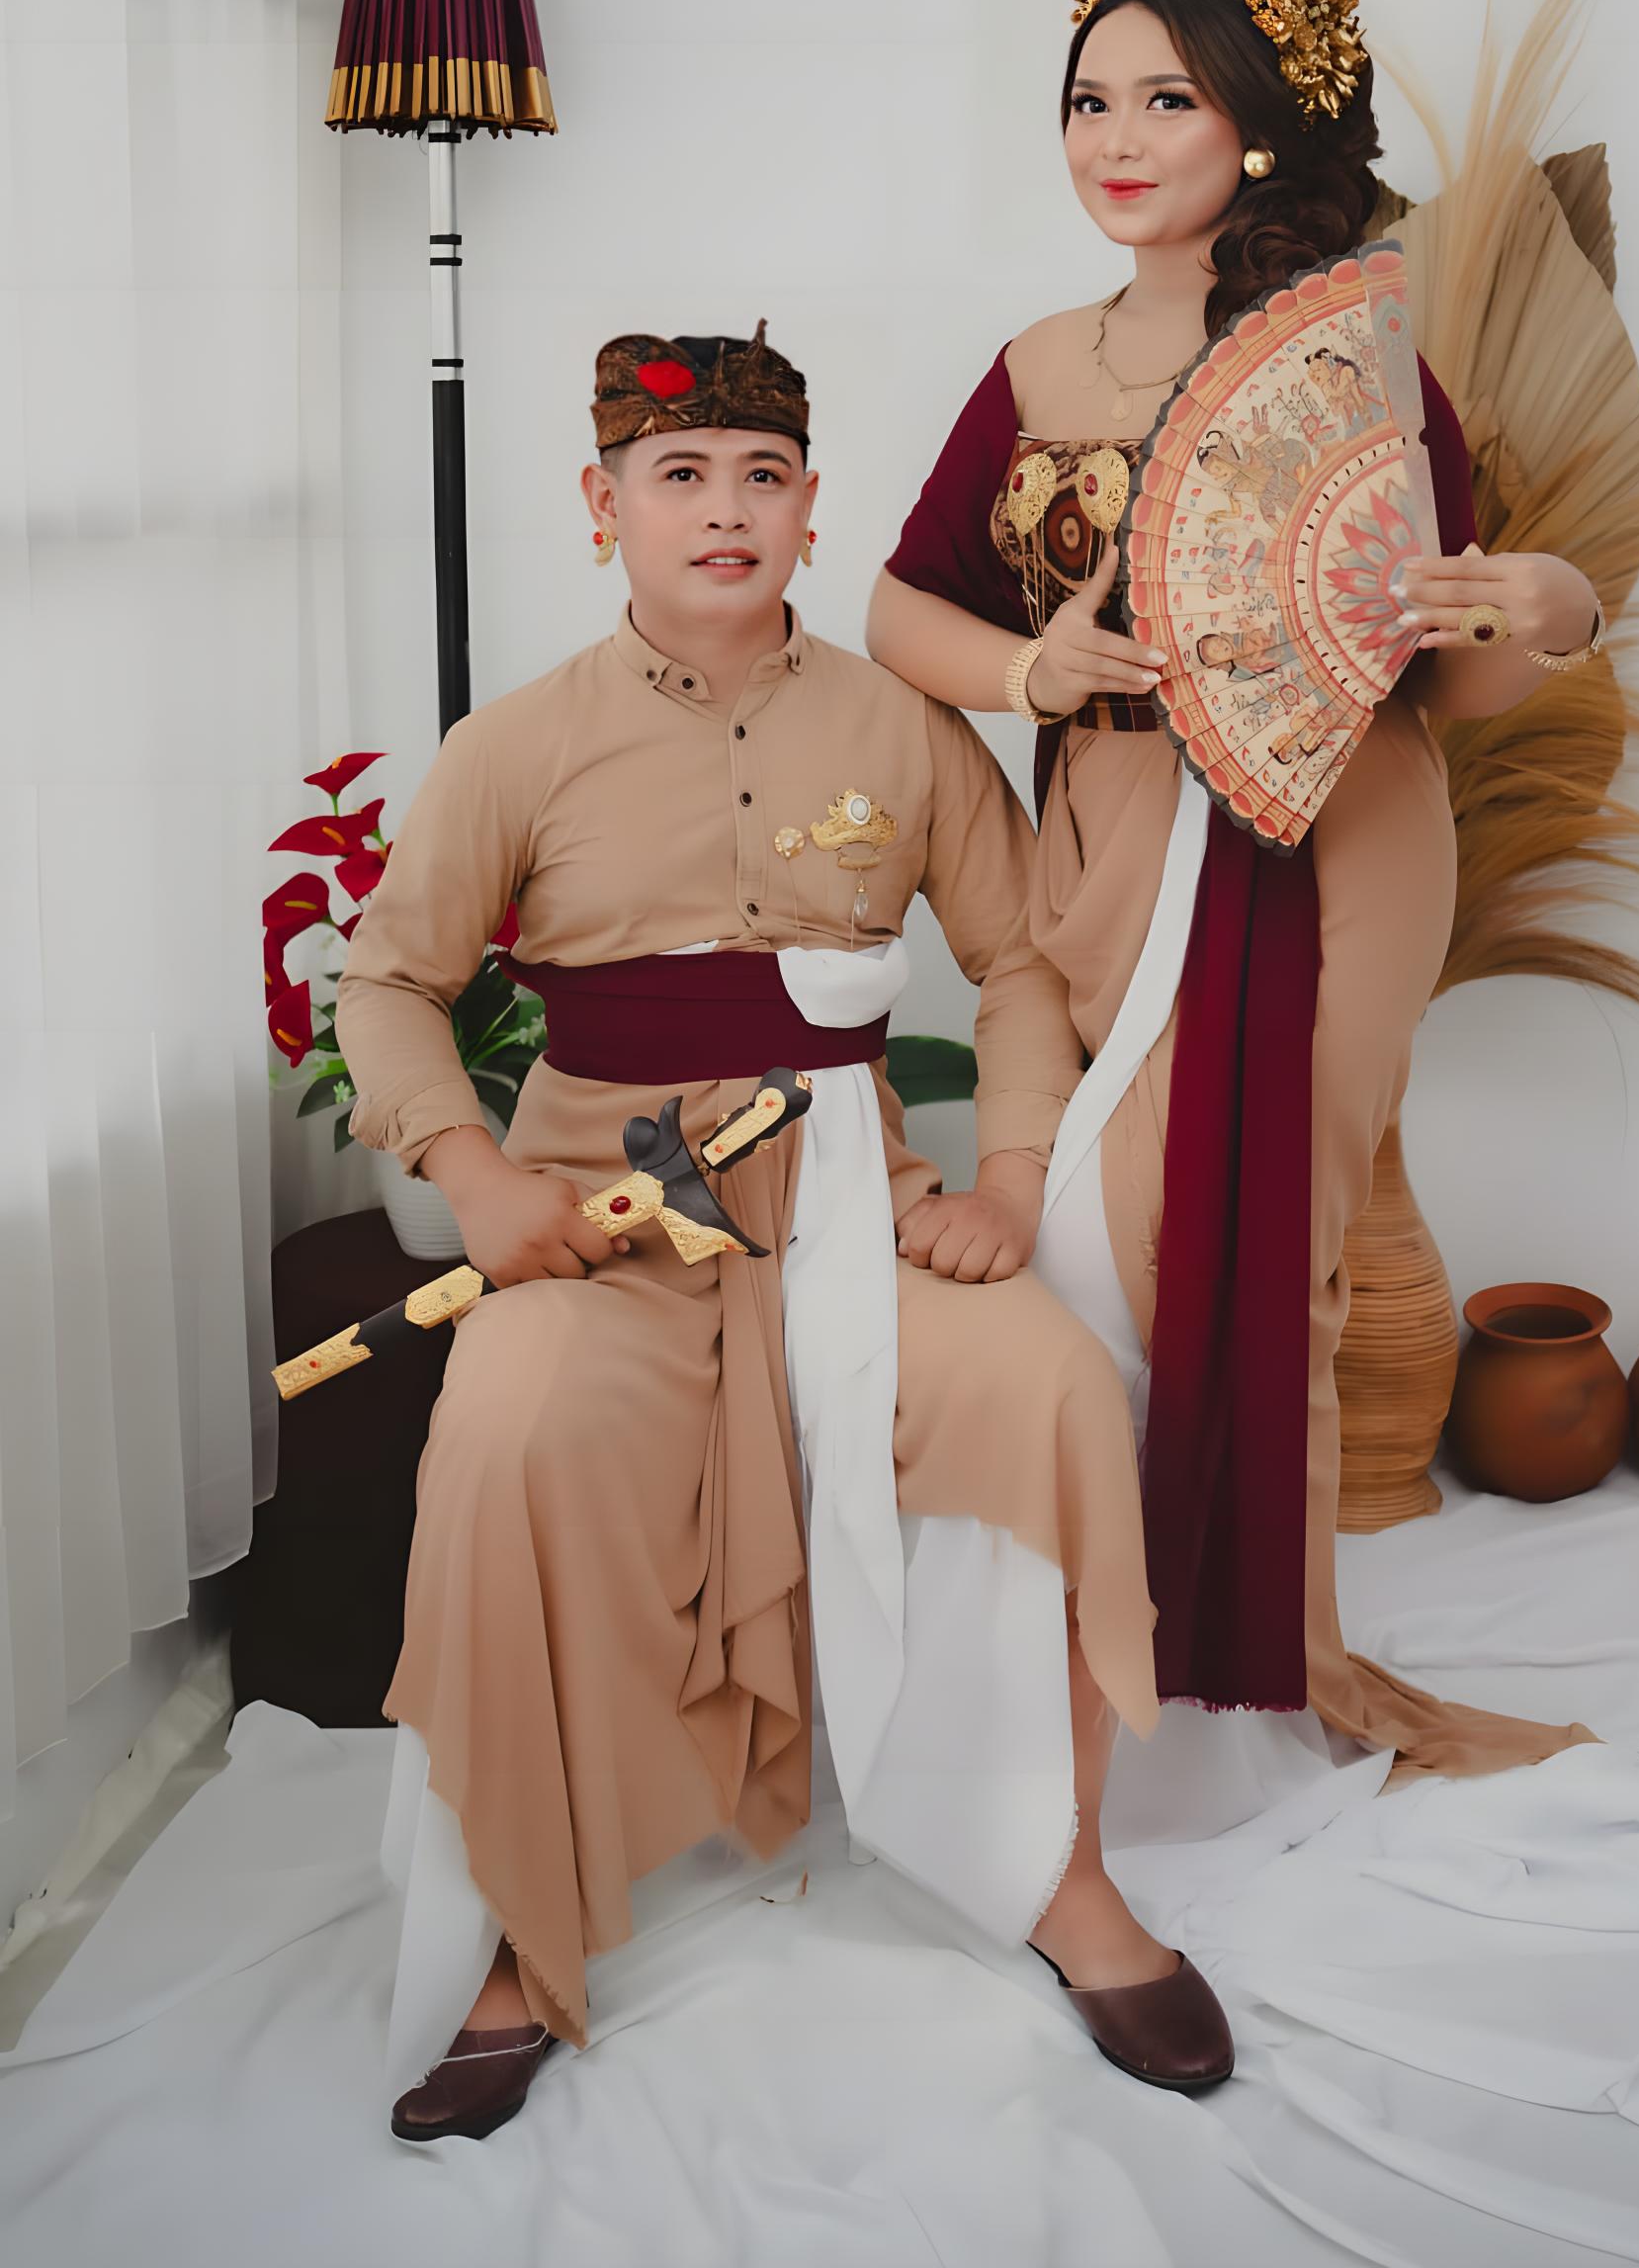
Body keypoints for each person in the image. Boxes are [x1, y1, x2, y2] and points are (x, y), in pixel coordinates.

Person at [336, 324, 1235, 2144]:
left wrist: (1004, 1183)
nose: (723, 511)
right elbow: (390, 982)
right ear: (602, 507)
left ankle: (1056, 1871)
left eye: (761, 478)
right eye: (678, 478)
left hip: (854, 1207)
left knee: (1053, 1388)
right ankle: (521, 1920)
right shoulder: (517, 742)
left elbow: (1017, 963)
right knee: (505, 1437)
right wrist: (479, 1180)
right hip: (604, 1224)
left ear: (812, 510)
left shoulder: (905, 727)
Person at [869, 0, 1608, 1753]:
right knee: (1098, 1241)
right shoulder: (1035, 368)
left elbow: (1443, 665)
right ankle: (1095, 1671)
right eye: (1087, 101)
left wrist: (1547, 611)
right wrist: (1031, 671)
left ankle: (1252, 1689)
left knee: (1268, 1252)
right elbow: (895, 607)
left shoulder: (1359, 360)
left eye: (1168, 101)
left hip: (1342, 841)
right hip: (1112, 840)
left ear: (1262, 122)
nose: (1114, 141)